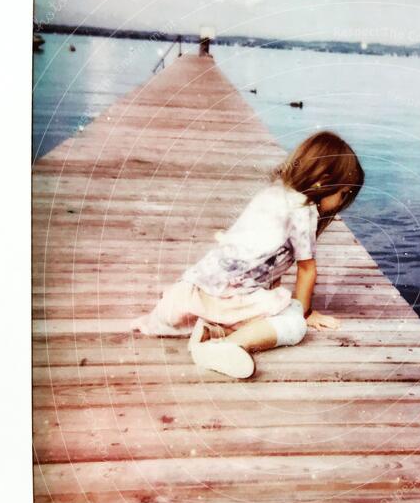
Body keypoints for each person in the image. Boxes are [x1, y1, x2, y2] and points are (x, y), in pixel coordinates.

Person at [131, 130, 365, 379]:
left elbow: (264, 260)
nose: (342, 202)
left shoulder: (275, 192)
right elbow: (307, 269)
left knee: (268, 303)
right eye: (344, 193)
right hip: (230, 298)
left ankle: (211, 328)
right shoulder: (304, 211)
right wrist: (303, 313)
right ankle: (228, 345)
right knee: (293, 325)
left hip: (196, 289)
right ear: (325, 180)